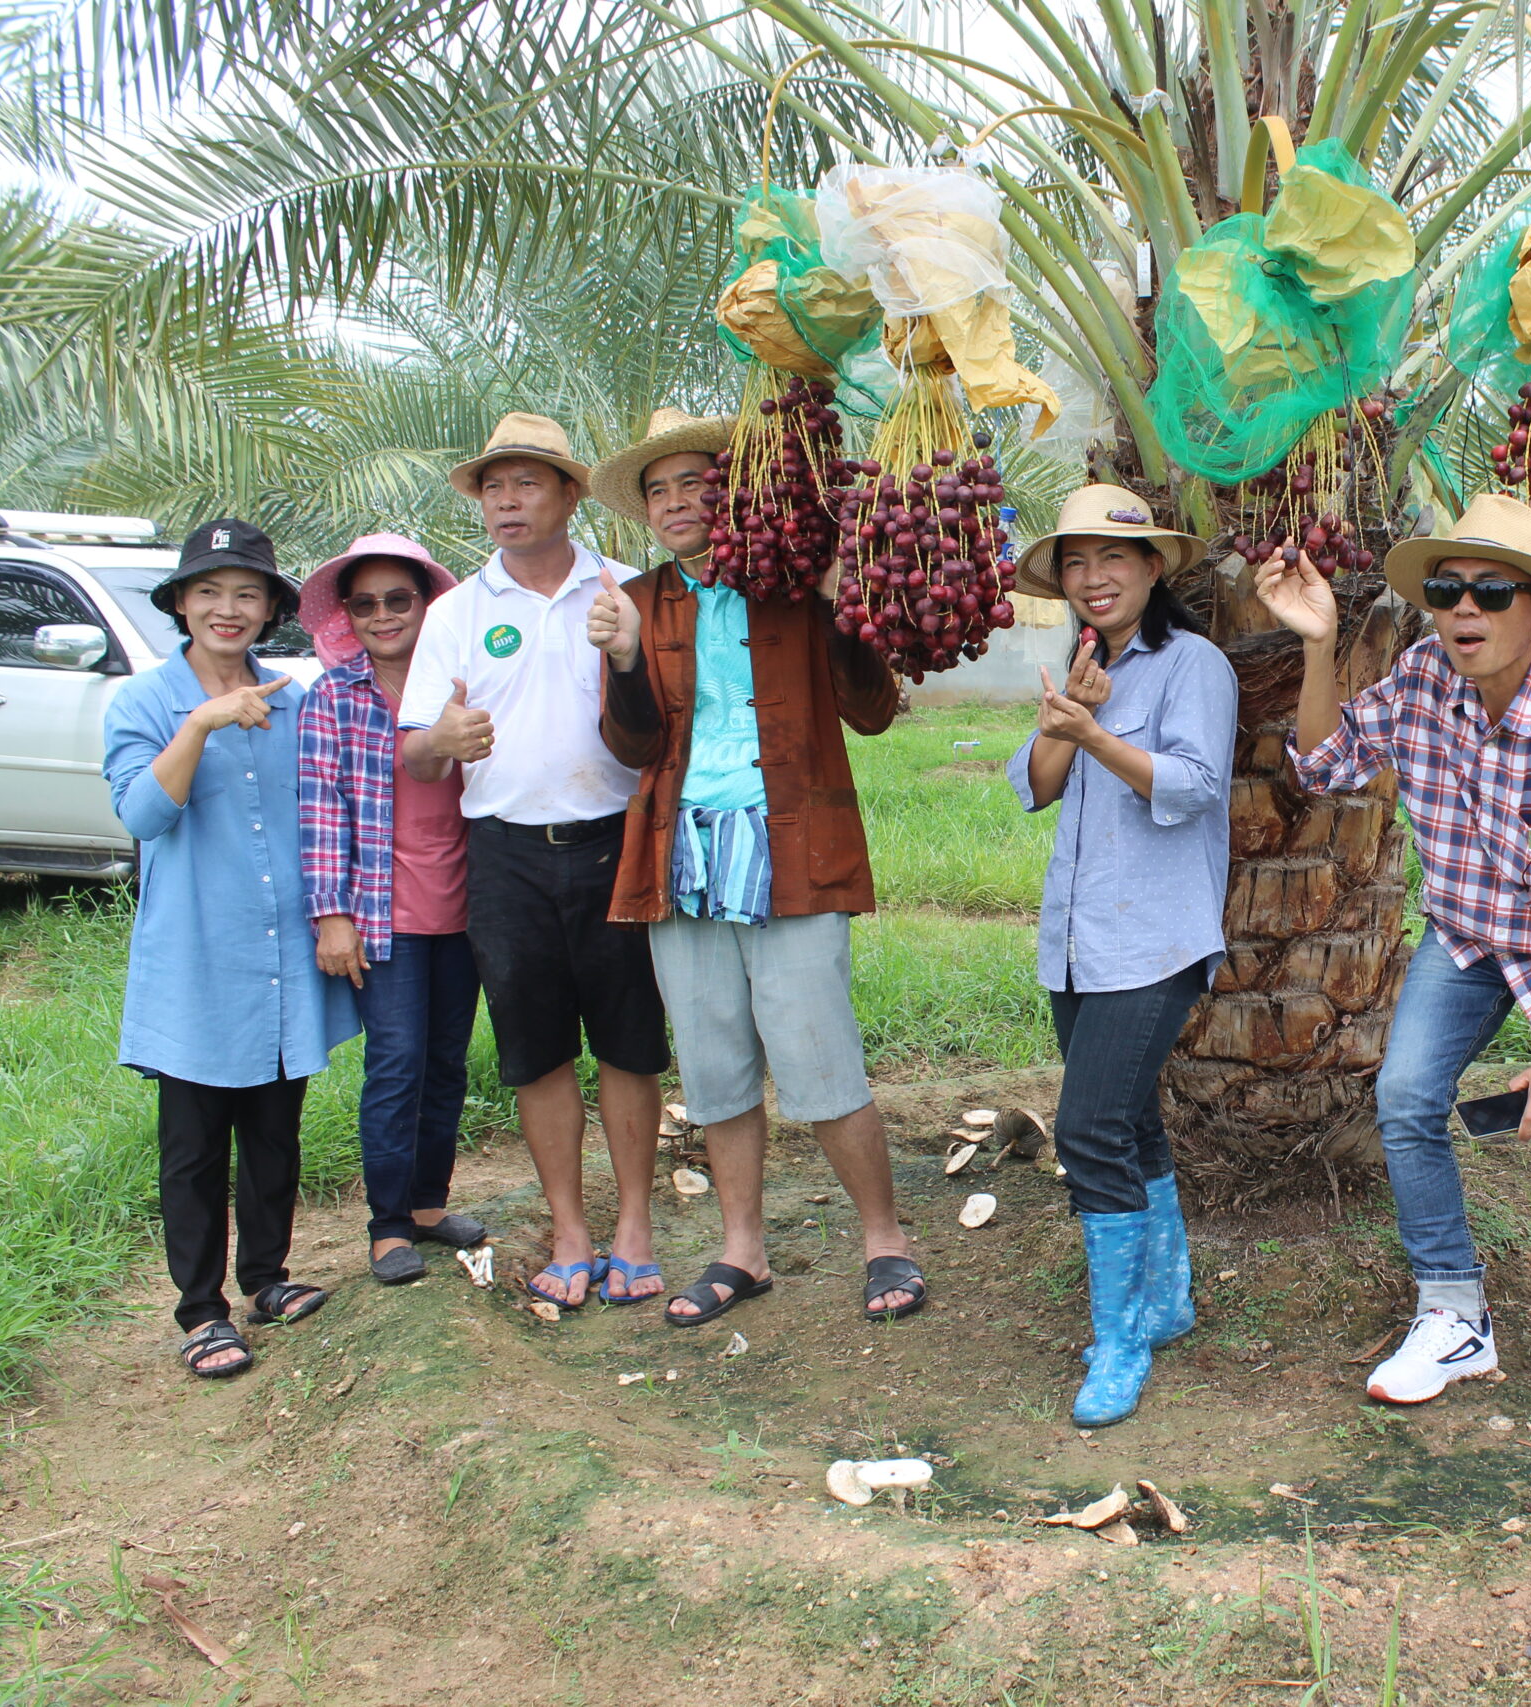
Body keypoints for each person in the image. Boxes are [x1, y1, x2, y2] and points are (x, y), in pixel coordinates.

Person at [1259, 493, 1531, 1416]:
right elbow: (1323, 764)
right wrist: (1318, 645)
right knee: (1403, 1096)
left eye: (1492, 591)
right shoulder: (1419, 679)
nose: (1465, 610)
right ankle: (1452, 1312)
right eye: (1448, 589)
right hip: (1469, 930)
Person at [585, 406, 925, 1326]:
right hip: (682, 858)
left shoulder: (788, 583)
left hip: (792, 855)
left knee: (822, 1058)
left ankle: (885, 1241)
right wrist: (621, 660)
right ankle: (743, 1249)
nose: (674, 503)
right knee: (715, 1066)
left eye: (693, 482)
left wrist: (840, 604)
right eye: (658, 491)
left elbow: (872, 710)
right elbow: (633, 745)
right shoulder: (642, 601)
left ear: (733, 490)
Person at [398, 412, 671, 1310]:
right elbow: (416, 753)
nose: (505, 501)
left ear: (570, 494)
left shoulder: (629, 592)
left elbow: (667, 720)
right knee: (537, 1050)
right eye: (492, 487)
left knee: (629, 1043)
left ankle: (634, 1222)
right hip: (505, 857)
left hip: (615, 843)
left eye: (526, 483)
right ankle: (570, 1228)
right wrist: (440, 736)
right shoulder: (455, 614)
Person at [1003, 484, 1237, 1428]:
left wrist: (1094, 731)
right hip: (1079, 935)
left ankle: (1120, 1340)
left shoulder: (1195, 665)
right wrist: (1068, 727)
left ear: (1153, 568)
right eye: (1074, 561)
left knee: (1089, 1129)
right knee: (1130, 1121)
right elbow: (1036, 784)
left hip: (1157, 940)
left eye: (1112, 558)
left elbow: (1193, 785)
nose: (1092, 577)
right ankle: (1166, 1300)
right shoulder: (1082, 662)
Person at [102, 520, 356, 1379]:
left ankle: (267, 1277)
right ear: (180, 603)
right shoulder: (144, 703)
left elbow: (326, 811)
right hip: (197, 955)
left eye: (247, 593)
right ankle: (201, 1309)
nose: (228, 608)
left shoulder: (297, 698)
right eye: (208, 591)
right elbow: (143, 816)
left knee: (276, 1128)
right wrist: (202, 722)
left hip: (284, 948)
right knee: (196, 1141)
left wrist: (332, 913)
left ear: (271, 609)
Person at [297, 534, 489, 1284]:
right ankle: (386, 1223)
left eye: (398, 599)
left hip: (467, 905)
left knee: (447, 1060)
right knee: (397, 1063)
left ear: (426, 604)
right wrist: (330, 914)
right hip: (384, 915)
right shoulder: (333, 696)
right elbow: (320, 811)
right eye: (365, 603)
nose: (383, 615)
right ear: (348, 614)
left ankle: (429, 1204)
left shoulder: (460, 686)